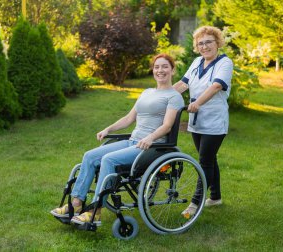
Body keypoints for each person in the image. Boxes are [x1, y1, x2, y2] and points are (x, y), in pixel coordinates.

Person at [51, 53, 184, 226]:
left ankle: (95, 210)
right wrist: (108, 129)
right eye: (157, 67)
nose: (160, 70)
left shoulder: (174, 96)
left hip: (152, 147)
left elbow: (167, 126)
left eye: (165, 66)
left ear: (172, 70)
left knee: (109, 160)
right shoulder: (147, 92)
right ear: (153, 70)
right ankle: (76, 203)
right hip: (133, 142)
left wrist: (150, 137)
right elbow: (129, 118)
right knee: (90, 156)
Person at [173, 26, 233, 216]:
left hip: (215, 121)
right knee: (209, 158)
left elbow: (216, 86)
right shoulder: (197, 62)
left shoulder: (225, 63)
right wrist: (160, 96)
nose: (204, 46)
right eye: (201, 43)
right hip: (197, 121)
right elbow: (183, 84)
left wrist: (197, 102)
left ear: (217, 43)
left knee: (204, 161)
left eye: (209, 42)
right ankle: (215, 197)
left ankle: (195, 203)